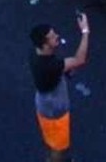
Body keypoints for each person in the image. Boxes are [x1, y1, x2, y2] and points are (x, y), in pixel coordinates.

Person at [29, 12, 91, 162]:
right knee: (59, 146)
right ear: (44, 44)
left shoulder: (37, 55)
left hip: (45, 103)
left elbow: (61, 69)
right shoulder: (50, 65)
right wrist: (85, 31)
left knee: (52, 140)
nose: (57, 36)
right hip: (54, 110)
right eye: (52, 36)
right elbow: (79, 59)